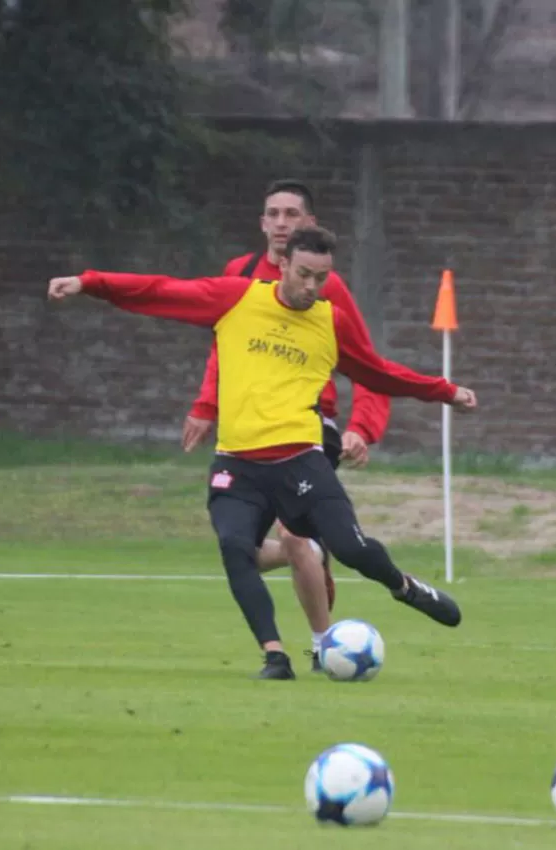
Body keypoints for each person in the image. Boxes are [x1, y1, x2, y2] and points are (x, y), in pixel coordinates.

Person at [47, 225, 475, 679]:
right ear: (284, 264)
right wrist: (89, 283)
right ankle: (275, 656)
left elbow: (377, 372)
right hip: (238, 463)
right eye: (304, 274)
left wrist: (445, 391)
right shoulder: (237, 298)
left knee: (351, 549)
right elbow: (162, 291)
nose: (311, 287)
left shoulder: (331, 321)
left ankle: (404, 587)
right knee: (236, 548)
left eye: (321, 278)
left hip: (301, 460)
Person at [181, 178, 392, 672]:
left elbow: (370, 365)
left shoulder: (326, 285)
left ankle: (323, 647)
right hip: (248, 433)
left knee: (296, 539)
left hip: (308, 427)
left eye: (292, 215)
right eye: (273, 213)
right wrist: (206, 405)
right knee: (245, 551)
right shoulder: (239, 275)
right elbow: (223, 349)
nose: (281, 223)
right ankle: (314, 558)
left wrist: (364, 426)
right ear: (262, 222)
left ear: (309, 226)